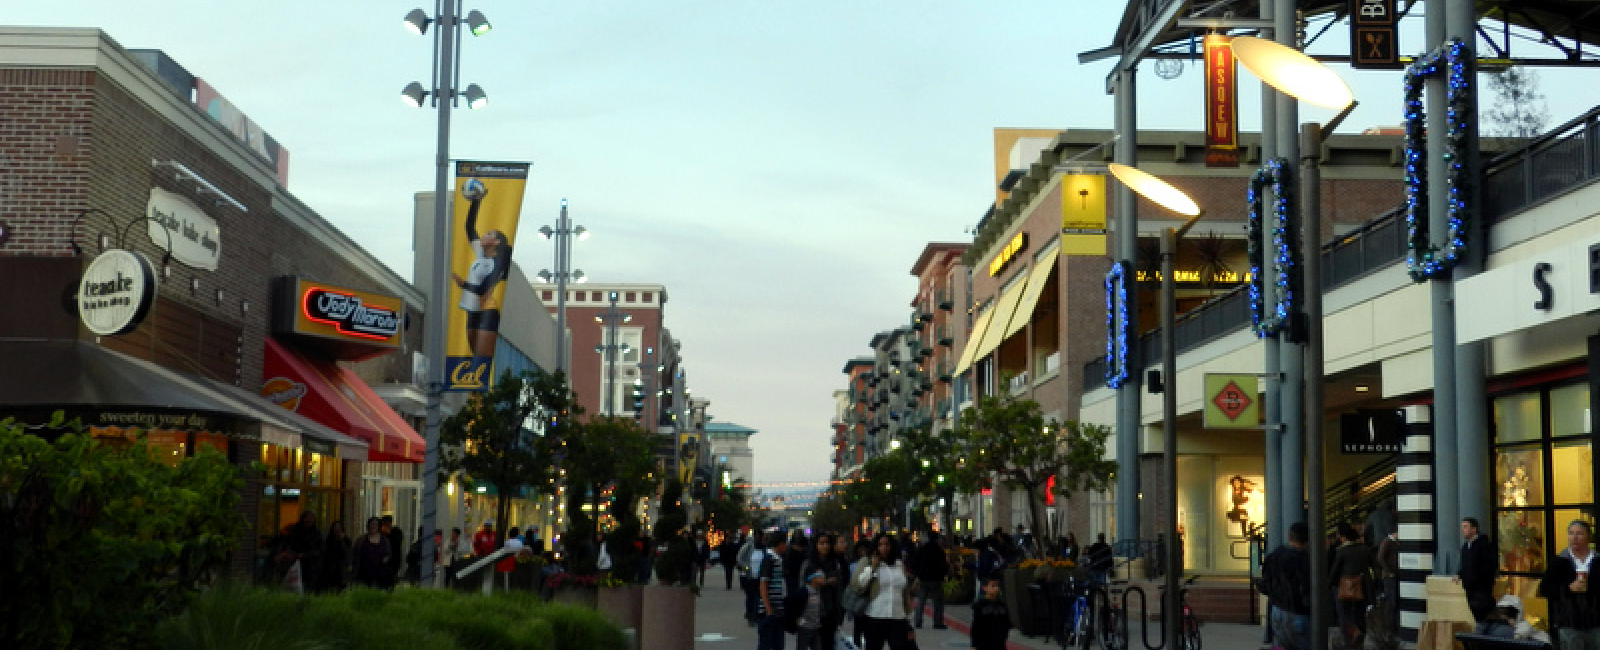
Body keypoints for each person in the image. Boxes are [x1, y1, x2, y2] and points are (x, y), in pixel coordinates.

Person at [450, 179, 511, 358]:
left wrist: (463, 284)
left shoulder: (496, 263)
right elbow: (469, 227)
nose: (484, 235)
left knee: (483, 358)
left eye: (489, 234)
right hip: (471, 310)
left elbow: (484, 288)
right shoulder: (481, 253)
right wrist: (477, 202)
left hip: (486, 311)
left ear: (496, 242)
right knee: (473, 354)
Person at [1539, 520, 1600, 649]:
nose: (1574, 538)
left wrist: (1592, 587)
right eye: (1571, 533)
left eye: (1579, 534)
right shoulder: (1559, 562)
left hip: (1596, 624)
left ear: (1588, 537)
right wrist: (1568, 588)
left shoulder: (1597, 561)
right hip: (1569, 624)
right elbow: (1544, 589)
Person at [852, 532, 915, 650]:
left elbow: (904, 593)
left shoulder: (898, 564)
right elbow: (859, 585)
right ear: (876, 547)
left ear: (892, 546)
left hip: (898, 617)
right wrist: (873, 567)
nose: (884, 548)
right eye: (880, 545)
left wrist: (909, 618)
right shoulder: (867, 562)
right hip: (875, 616)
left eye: (887, 544)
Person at [1262, 522, 1312, 650]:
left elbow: (1265, 583)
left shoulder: (1275, 555)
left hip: (1277, 609)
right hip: (1298, 611)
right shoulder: (1306, 560)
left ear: (1290, 537)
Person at [1329, 522, 1374, 650]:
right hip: (1363, 586)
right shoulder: (1365, 549)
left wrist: (1329, 584)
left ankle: (1351, 638)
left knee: (1344, 615)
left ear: (1343, 537)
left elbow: (1334, 571)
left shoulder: (1341, 551)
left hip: (1344, 586)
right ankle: (1359, 643)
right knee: (1360, 614)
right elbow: (1374, 567)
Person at [1457, 517, 1500, 623]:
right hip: (1470, 589)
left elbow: (1489, 566)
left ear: (1474, 529)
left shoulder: (1484, 545)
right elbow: (1465, 566)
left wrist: (1476, 579)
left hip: (1481, 590)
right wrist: (1460, 575)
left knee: (1483, 616)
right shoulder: (1465, 547)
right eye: (1462, 527)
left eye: (1466, 527)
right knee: (1476, 616)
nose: (1463, 529)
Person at [756, 530, 790, 650]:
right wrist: (768, 609)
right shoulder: (769, 559)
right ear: (780, 544)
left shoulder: (778, 559)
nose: (787, 546)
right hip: (769, 611)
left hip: (778, 609)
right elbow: (763, 585)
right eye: (785, 543)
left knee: (778, 644)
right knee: (766, 644)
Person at [911, 530, 948, 630]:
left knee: (921, 601)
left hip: (924, 579)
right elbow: (943, 565)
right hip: (936, 579)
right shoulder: (939, 551)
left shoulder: (922, 550)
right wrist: (944, 575)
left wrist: (918, 575)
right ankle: (937, 622)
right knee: (938, 602)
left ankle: (918, 621)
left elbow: (916, 563)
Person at [970, 576, 1012, 650]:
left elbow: (1007, 623)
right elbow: (976, 626)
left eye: (997, 586)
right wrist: (974, 645)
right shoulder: (980, 605)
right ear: (984, 588)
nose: (996, 588)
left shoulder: (1002, 605)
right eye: (993, 586)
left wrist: (1003, 635)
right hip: (984, 643)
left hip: (999, 643)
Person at [352, 517, 391, 589]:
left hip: (380, 573)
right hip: (364, 573)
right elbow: (355, 554)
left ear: (379, 526)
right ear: (368, 526)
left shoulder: (384, 540)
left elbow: (388, 553)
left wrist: (387, 558)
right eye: (371, 524)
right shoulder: (361, 539)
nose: (373, 526)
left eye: (375, 524)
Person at [795, 571, 827, 650]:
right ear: (813, 579)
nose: (823, 579)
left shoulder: (819, 591)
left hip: (816, 626)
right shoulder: (804, 591)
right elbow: (794, 606)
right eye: (820, 577)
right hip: (805, 627)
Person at [319, 520, 350, 593]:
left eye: (339, 528)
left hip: (341, 568)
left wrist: (341, 540)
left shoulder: (346, 540)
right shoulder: (329, 539)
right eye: (335, 527)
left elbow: (346, 552)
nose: (337, 529)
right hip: (329, 568)